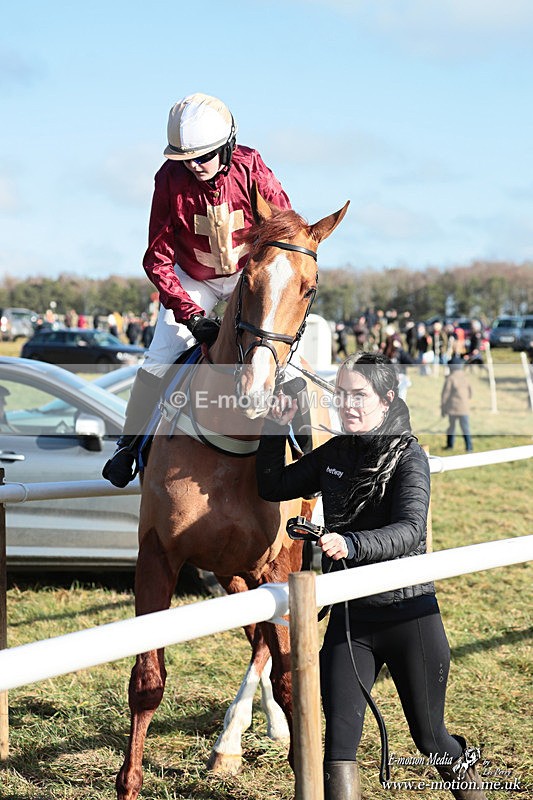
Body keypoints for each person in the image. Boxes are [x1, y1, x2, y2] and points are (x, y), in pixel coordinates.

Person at [256, 352, 486, 800]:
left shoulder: (409, 456)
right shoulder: (337, 452)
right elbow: (272, 486)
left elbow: (409, 531)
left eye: (359, 395)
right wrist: (271, 426)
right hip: (350, 623)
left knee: (430, 739)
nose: (349, 405)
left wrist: (350, 543)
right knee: (339, 746)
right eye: (342, 395)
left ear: (386, 399)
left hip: (409, 617)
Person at [103, 92, 291, 487]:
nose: (194, 165)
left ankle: (306, 447)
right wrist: (190, 314)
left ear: (228, 146)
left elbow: (284, 229)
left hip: (246, 274)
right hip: (192, 278)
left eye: (203, 157)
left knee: (284, 351)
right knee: (161, 353)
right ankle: (129, 444)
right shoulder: (168, 179)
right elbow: (157, 257)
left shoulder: (253, 168)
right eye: (185, 159)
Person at [441, 356, 473, 452]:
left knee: (451, 427)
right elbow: (471, 392)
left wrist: (443, 408)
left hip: (453, 408)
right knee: (466, 428)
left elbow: (445, 395)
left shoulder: (450, 378)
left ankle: (450, 445)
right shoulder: (465, 377)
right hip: (464, 409)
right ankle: (469, 447)